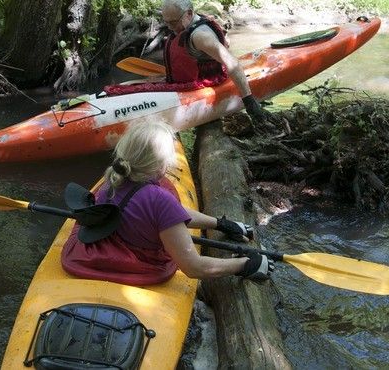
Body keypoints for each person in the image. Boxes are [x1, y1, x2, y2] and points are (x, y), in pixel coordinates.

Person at [60, 121, 273, 283]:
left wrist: (220, 223)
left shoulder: (112, 182)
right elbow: (193, 268)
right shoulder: (160, 200)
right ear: (162, 164)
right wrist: (245, 264)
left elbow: (173, 215)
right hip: (140, 265)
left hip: (107, 254)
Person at [160, 0, 268, 124]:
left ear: (188, 14)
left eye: (173, 22)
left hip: (204, 85)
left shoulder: (201, 36)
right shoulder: (184, 25)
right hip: (182, 83)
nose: (170, 27)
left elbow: (231, 62)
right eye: (166, 22)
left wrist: (249, 100)